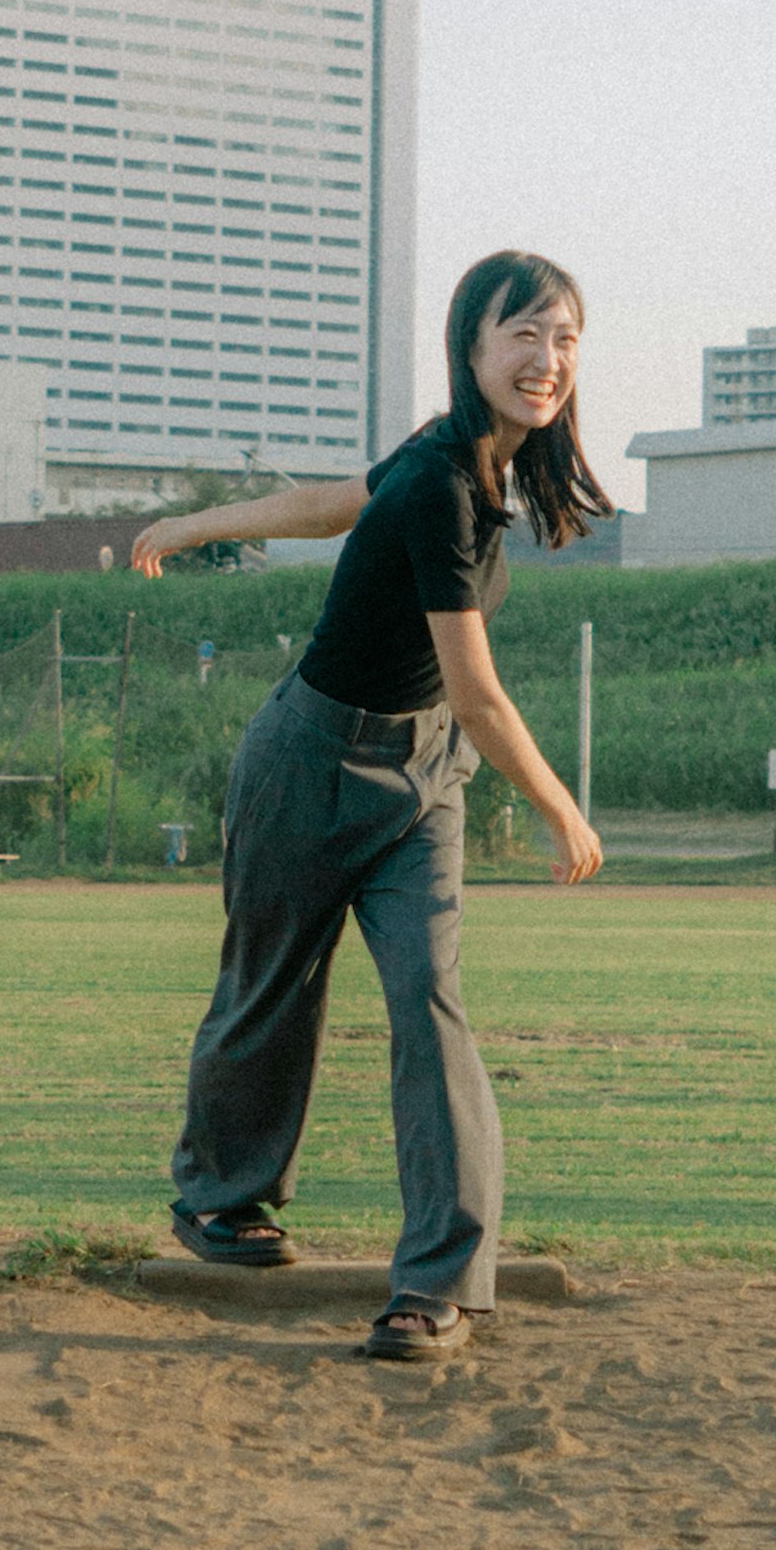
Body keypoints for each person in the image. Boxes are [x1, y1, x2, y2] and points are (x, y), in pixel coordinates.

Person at [135, 250, 609, 1364]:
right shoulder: (439, 476)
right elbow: (481, 689)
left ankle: (437, 1281)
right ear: (475, 346)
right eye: (524, 335)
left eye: (565, 339)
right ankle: (219, 1200)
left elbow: (328, 511)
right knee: (269, 986)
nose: (546, 360)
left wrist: (201, 526)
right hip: (310, 756)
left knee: (427, 998)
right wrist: (561, 807)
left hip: (422, 778)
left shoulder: (488, 469)